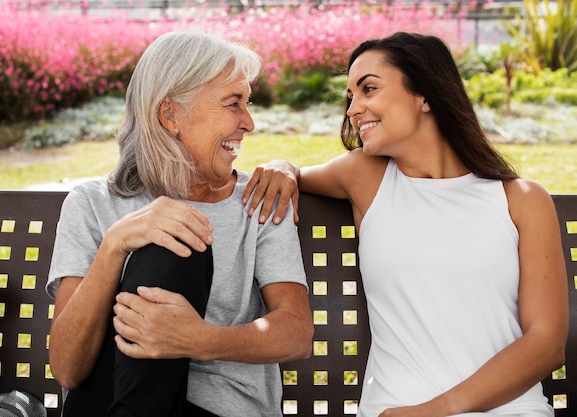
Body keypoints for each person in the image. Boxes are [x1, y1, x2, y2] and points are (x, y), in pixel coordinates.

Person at [243, 32, 568, 417]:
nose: (353, 109)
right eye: (351, 96)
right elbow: (293, 171)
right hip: (395, 409)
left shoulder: (523, 201)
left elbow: (547, 342)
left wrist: (435, 410)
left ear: (424, 93)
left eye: (368, 89)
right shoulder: (365, 177)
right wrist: (283, 167)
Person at [46, 30, 313, 417]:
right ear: (170, 114)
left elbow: (296, 333)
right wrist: (115, 245)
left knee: (173, 238)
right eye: (233, 103)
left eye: (247, 103)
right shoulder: (92, 204)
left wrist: (199, 340)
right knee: (162, 235)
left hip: (221, 410)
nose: (249, 122)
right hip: (107, 399)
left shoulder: (259, 200)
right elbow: (68, 370)